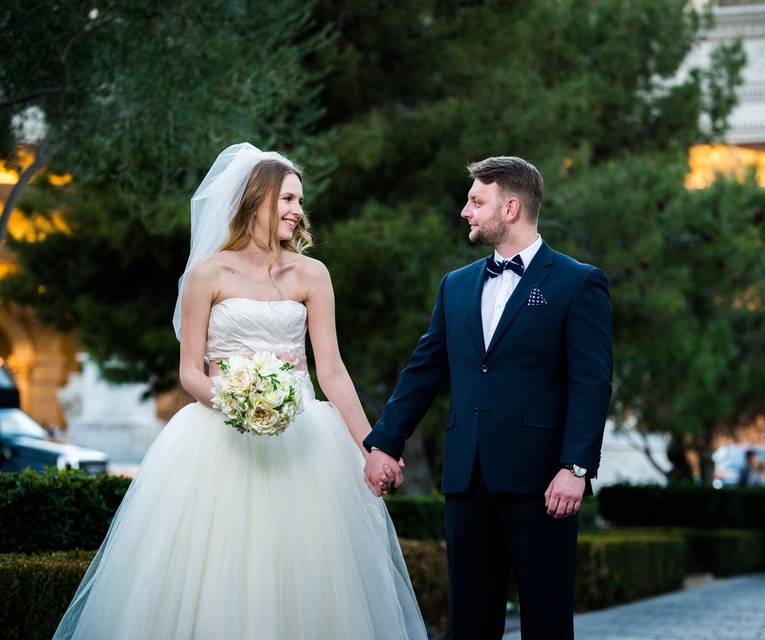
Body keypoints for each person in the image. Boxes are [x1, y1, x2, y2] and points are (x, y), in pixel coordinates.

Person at [52, 143, 427, 640]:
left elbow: (332, 371)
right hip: (218, 435)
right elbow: (190, 371)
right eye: (288, 199)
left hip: (303, 440)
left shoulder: (313, 275)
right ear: (256, 201)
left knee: (305, 572)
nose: (297, 211)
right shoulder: (207, 274)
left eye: (299, 201)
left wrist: (370, 447)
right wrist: (237, 402)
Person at [363, 156, 613, 639]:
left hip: (544, 485)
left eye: (477, 201)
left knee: (546, 622)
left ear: (512, 207)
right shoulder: (455, 286)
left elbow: (592, 382)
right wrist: (384, 443)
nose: (465, 211)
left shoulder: (578, 282)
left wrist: (576, 467)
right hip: (467, 480)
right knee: (470, 625)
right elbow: (423, 371)